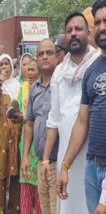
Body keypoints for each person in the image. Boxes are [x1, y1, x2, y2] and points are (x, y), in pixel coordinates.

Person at [41, 12, 100, 214]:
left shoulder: (99, 65)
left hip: (93, 159)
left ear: (88, 33)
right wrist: (46, 159)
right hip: (66, 158)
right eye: (69, 31)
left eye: (78, 29)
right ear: (65, 37)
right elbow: (54, 119)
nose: (73, 34)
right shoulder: (59, 72)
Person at [57, 1, 106, 213]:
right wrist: (65, 166)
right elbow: (82, 122)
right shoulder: (91, 71)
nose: (102, 27)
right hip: (93, 168)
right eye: (98, 22)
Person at [21, 39, 58, 214]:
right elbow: (29, 124)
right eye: (41, 53)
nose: (45, 57)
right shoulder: (34, 88)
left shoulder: (62, 84)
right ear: (36, 57)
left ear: (57, 56)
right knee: (44, 209)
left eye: (49, 53)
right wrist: (25, 156)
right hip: (40, 163)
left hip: (58, 163)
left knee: (57, 209)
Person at [0, 54, 21, 214]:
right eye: (2, 64)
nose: (5, 67)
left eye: (7, 64)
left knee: (15, 175)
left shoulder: (18, 85)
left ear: (12, 67)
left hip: (15, 137)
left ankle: (14, 209)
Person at [18, 59, 42, 214]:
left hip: (40, 139)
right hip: (25, 139)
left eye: (33, 69)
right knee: (26, 179)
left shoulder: (45, 88)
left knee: (40, 182)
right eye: (28, 69)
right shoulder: (23, 87)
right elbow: (20, 110)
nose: (30, 72)